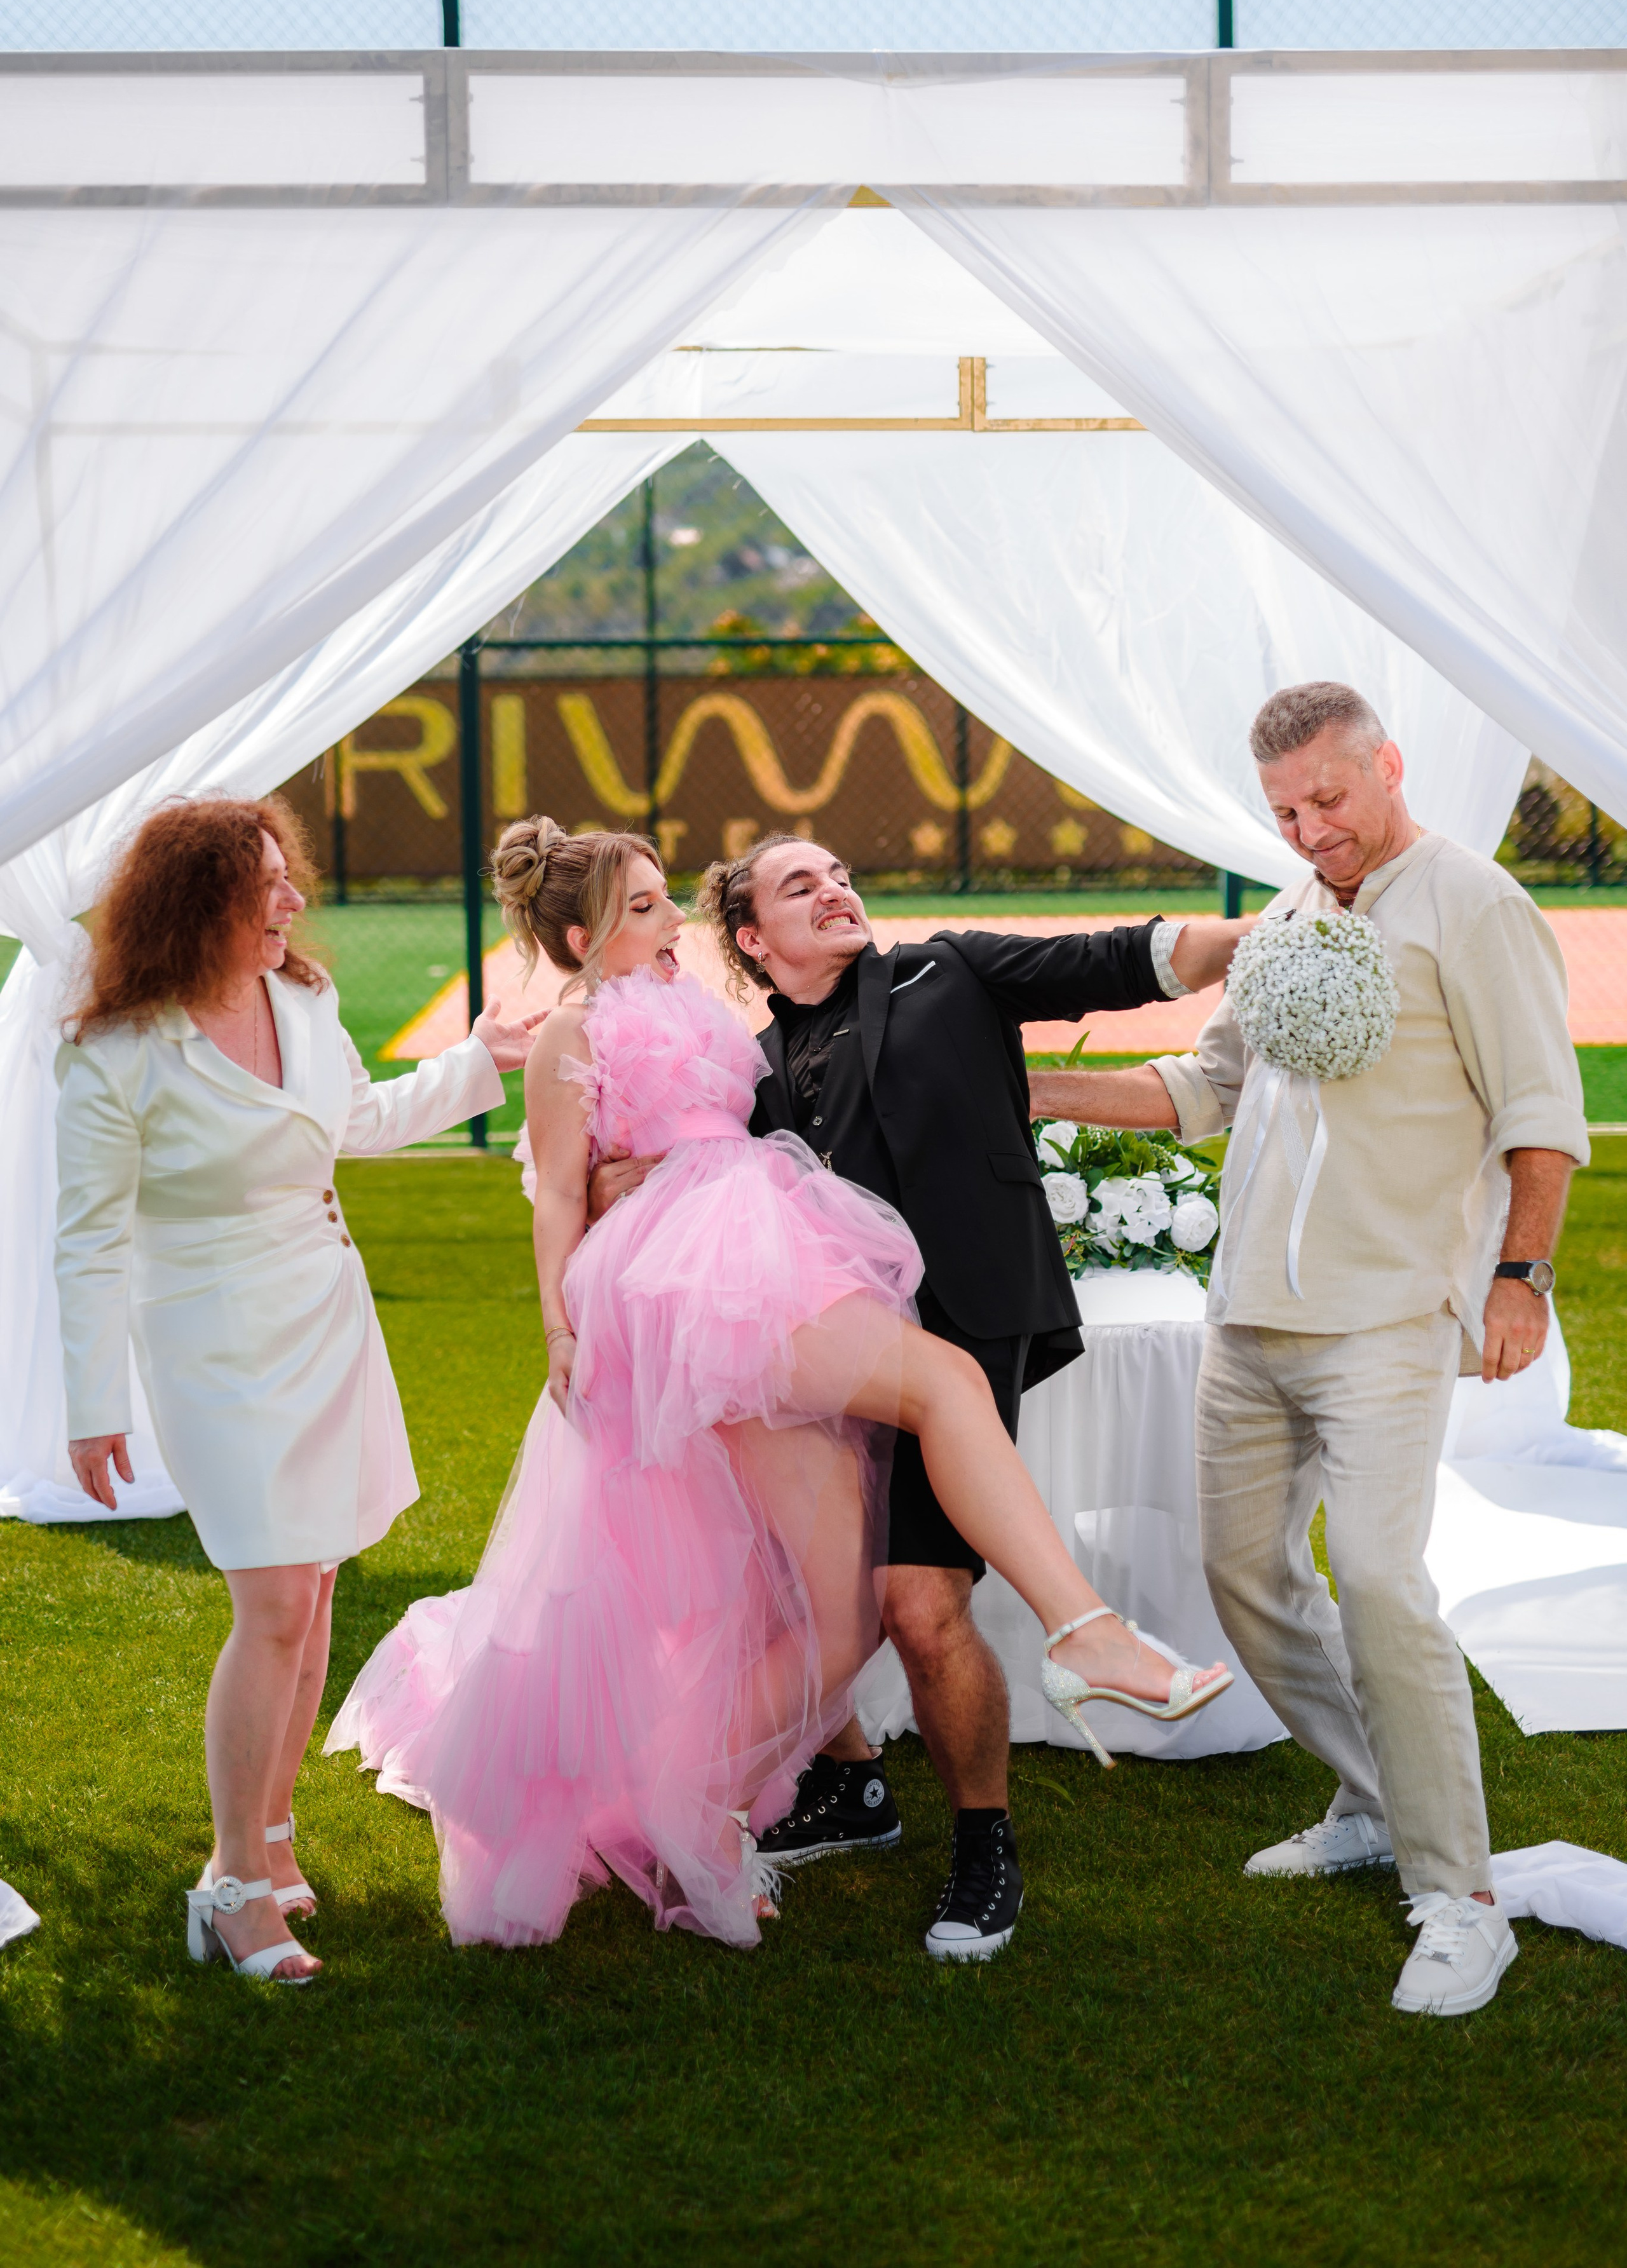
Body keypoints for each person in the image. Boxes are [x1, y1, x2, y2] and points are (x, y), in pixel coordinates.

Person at [329, 823, 1233, 1958]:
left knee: (845, 1607)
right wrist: (559, 1323)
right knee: (946, 1389)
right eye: (647, 906)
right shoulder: (573, 1029)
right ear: (584, 934)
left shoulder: (750, 1008)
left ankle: (692, 1799)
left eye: (667, 902)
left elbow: (722, 1128)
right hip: (696, 1282)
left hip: (763, 1246)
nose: (670, 926)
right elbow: (559, 1193)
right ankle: (1086, 1632)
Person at [1031, 682, 1590, 2018]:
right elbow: (1202, 1088)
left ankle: (1459, 1898)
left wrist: (1516, 1279)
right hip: (1246, 1319)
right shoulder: (1285, 915)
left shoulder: (1474, 905)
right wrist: (1027, 1083)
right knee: (1242, 1577)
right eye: (1284, 811)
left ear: (1385, 768)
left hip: (1388, 1318)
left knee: (1385, 1585)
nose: (1307, 831)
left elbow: (1539, 1112)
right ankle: (1367, 1798)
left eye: (1327, 801)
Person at [587, 834, 1248, 1960]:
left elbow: (1127, 955)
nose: (837, 888)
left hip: (962, 1320)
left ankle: (984, 1842)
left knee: (921, 1607)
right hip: (820, 1356)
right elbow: (669, 1177)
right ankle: (851, 1788)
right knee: (798, 1589)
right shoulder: (746, 1070)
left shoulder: (951, 971)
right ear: (752, 939)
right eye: (801, 885)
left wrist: (1271, 936)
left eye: (842, 872)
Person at [55, 796, 540, 1984]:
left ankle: (272, 1838)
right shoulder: (116, 1053)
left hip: (326, 1313)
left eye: (287, 878)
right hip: (211, 1343)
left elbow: (355, 1122)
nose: (292, 900)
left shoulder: (305, 1000)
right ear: (196, 904)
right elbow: (84, 1239)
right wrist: (88, 1402)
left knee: (317, 1586)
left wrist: (484, 1062)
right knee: (271, 1602)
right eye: (263, 886)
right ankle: (228, 1888)